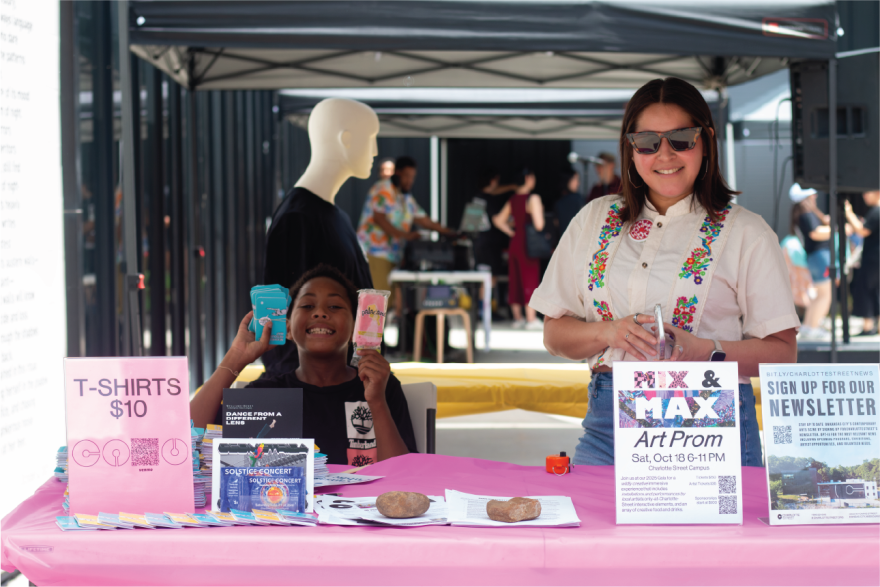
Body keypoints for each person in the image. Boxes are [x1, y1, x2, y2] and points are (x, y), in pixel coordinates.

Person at [531, 77, 799, 466]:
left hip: (711, 423)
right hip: (609, 424)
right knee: (597, 528)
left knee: (716, 532)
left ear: (705, 141)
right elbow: (554, 334)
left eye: (681, 139)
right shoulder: (594, 219)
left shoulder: (747, 233)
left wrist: (704, 351)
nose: (665, 154)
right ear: (631, 147)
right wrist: (609, 331)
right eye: (647, 142)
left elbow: (782, 353)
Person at [190, 264, 417, 466]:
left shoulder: (382, 388)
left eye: (335, 307)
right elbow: (185, 439)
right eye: (307, 306)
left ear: (355, 329)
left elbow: (404, 478)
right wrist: (235, 358)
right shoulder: (265, 395)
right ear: (287, 328)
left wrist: (376, 401)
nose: (320, 312)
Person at [261, 98, 378, 375]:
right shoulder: (297, 219)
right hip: (313, 393)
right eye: (371, 138)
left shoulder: (337, 217)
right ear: (346, 139)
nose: (375, 151)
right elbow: (279, 324)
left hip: (344, 381)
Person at [356, 156, 457, 295]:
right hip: (374, 253)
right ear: (397, 173)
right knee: (378, 301)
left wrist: (449, 232)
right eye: (407, 176)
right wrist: (407, 236)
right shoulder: (383, 188)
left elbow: (424, 220)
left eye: (412, 177)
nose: (410, 181)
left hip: (393, 256)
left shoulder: (406, 197)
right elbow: (379, 218)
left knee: (389, 301)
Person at [493, 168, 545, 330]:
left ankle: (518, 318)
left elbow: (497, 219)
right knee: (530, 278)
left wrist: (510, 231)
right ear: (528, 178)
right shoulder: (533, 198)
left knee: (515, 279)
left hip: (515, 242)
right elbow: (539, 224)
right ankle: (531, 319)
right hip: (528, 244)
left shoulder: (513, 199)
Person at [790, 183, 833, 340]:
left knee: (819, 295)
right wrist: (836, 229)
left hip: (815, 257)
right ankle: (812, 329)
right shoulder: (807, 214)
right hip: (820, 256)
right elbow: (815, 234)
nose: (815, 196)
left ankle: (809, 327)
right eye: (811, 195)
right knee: (825, 295)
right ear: (805, 198)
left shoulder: (802, 214)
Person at [473, 167, 516, 283]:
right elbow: (497, 220)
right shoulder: (488, 200)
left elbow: (471, 225)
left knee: (483, 276)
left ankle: (484, 301)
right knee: (490, 278)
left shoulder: (477, 198)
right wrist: (513, 226)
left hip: (478, 243)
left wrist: (511, 187)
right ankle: (489, 301)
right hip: (489, 245)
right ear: (493, 181)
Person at [848, 191, 880, 336]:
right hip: (875, 258)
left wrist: (848, 213)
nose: (864, 195)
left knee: (867, 289)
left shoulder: (877, 211)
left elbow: (862, 231)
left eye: (868, 192)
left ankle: (868, 327)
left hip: (874, 258)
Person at [554, 166, 585, 236]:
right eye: (575, 179)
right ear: (567, 179)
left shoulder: (557, 202)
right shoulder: (577, 199)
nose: (578, 183)